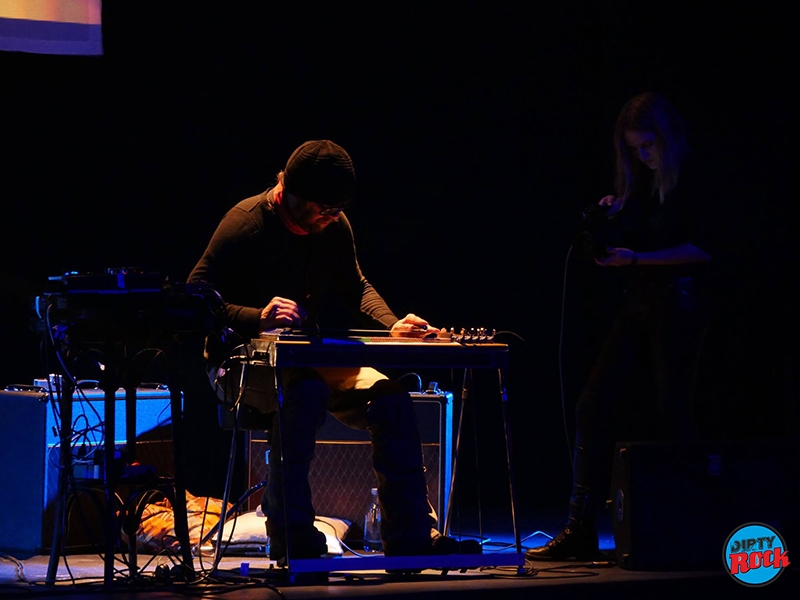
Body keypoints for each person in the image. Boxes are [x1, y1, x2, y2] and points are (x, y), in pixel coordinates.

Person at [188, 139, 480, 564]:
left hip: (304, 357)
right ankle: (293, 538)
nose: (330, 216)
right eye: (321, 208)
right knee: (304, 393)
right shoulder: (245, 223)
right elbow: (196, 295)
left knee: (391, 400)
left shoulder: (335, 226)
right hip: (239, 364)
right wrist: (257, 315)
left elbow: (355, 285)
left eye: (336, 208)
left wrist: (392, 323)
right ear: (287, 191)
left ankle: (411, 539)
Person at [527, 93, 713, 561]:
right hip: (640, 302)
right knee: (593, 402)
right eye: (634, 149)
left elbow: (705, 249)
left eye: (648, 146)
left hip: (681, 302)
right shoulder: (644, 186)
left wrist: (637, 258)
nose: (642, 156)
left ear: (667, 139)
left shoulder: (694, 176)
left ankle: (691, 523)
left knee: (673, 409)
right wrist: (617, 215)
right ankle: (580, 526)